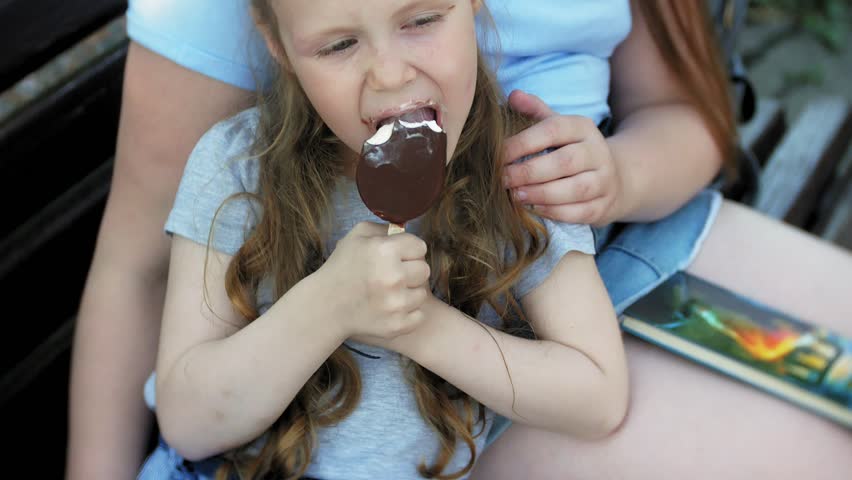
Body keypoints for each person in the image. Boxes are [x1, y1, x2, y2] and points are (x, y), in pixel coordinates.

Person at [65, 0, 852, 479]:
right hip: (266, 452)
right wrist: (332, 303)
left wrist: (419, 323)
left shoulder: (514, 173)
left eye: (421, 19)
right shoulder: (237, 168)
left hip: (572, 294)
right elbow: (184, 402)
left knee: (835, 378)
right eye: (339, 44)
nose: (387, 73)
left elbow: (593, 392)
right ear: (277, 44)